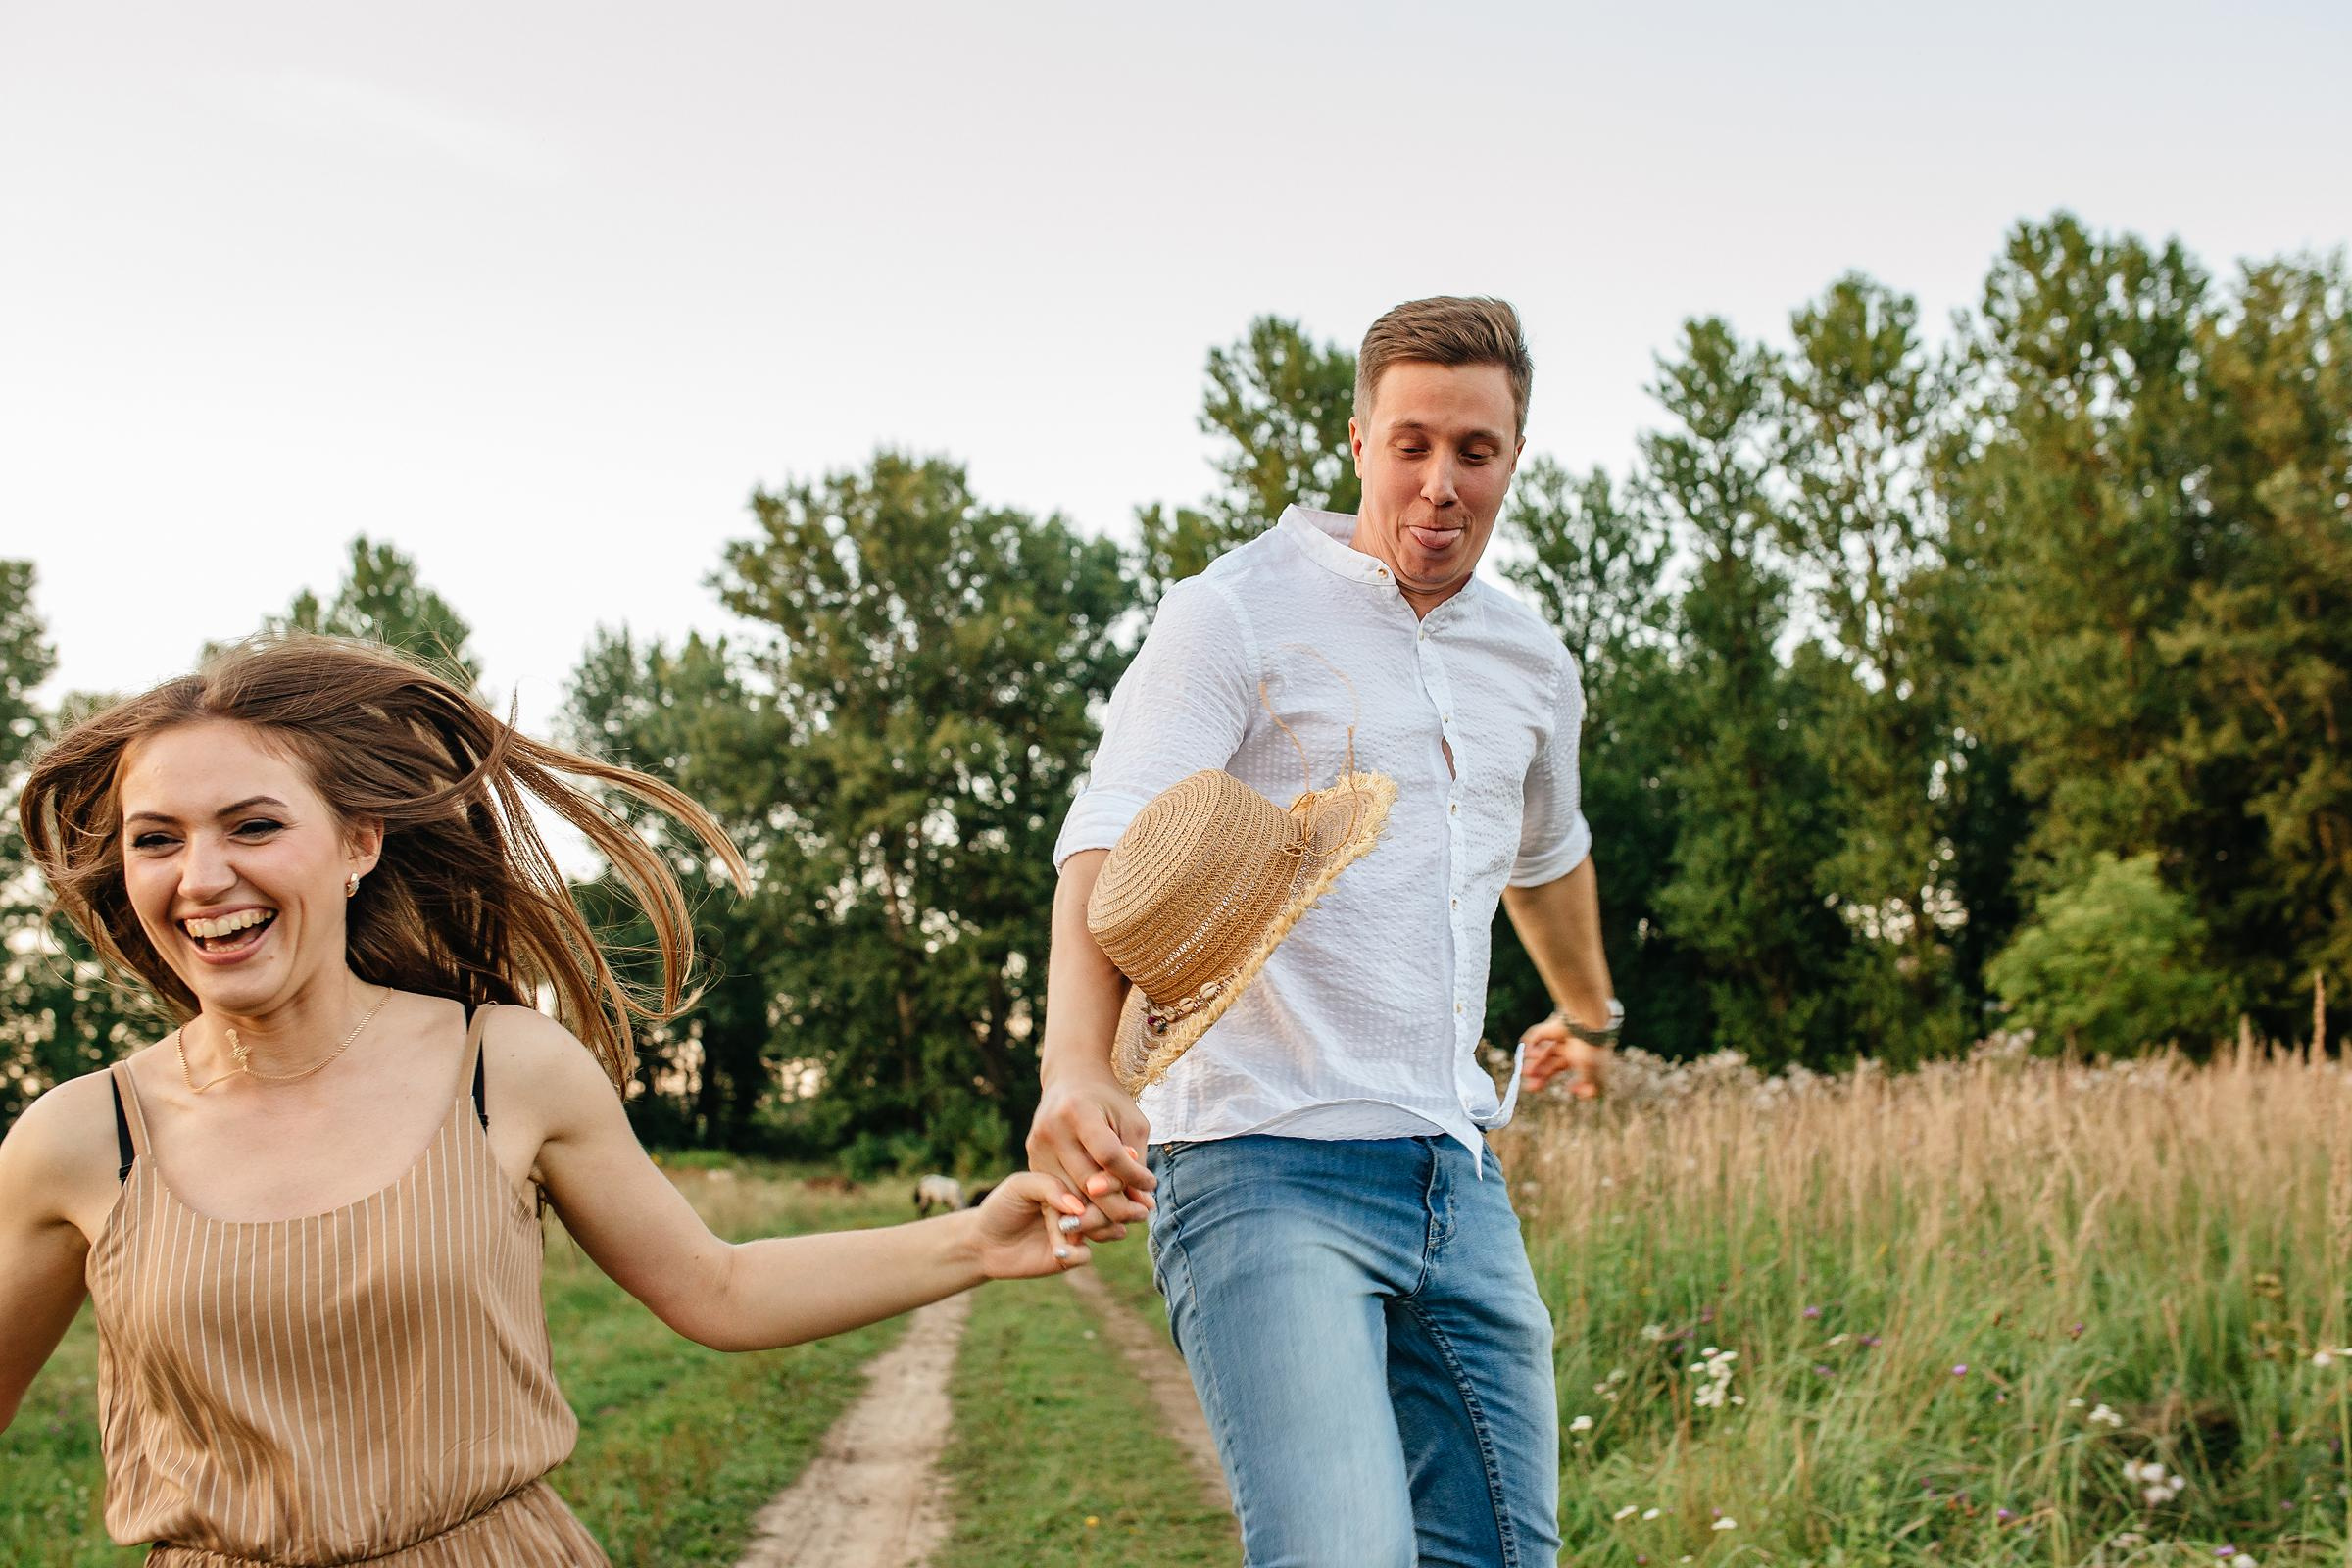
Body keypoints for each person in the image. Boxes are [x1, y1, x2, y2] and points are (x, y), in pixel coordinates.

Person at [0, 636, 1091, 1567]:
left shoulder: (502, 1066)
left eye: (251, 826)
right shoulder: (76, 1140)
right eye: (158, 838)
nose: (200, 876)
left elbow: (718, 1285)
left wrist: (976, 1242)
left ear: (358, 844)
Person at [1027, 296, 1620, 1567]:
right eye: (1412, 443)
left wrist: (1586, 1015)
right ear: (1358, 440)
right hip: (1259, 1167)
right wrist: (1074, 1065)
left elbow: (1548, 855)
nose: (1441, 482)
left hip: (1457, 1179)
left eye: (1476, 450)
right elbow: (1107, 842)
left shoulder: (1531, 658)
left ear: (1515, 458)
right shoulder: (1232, 612)